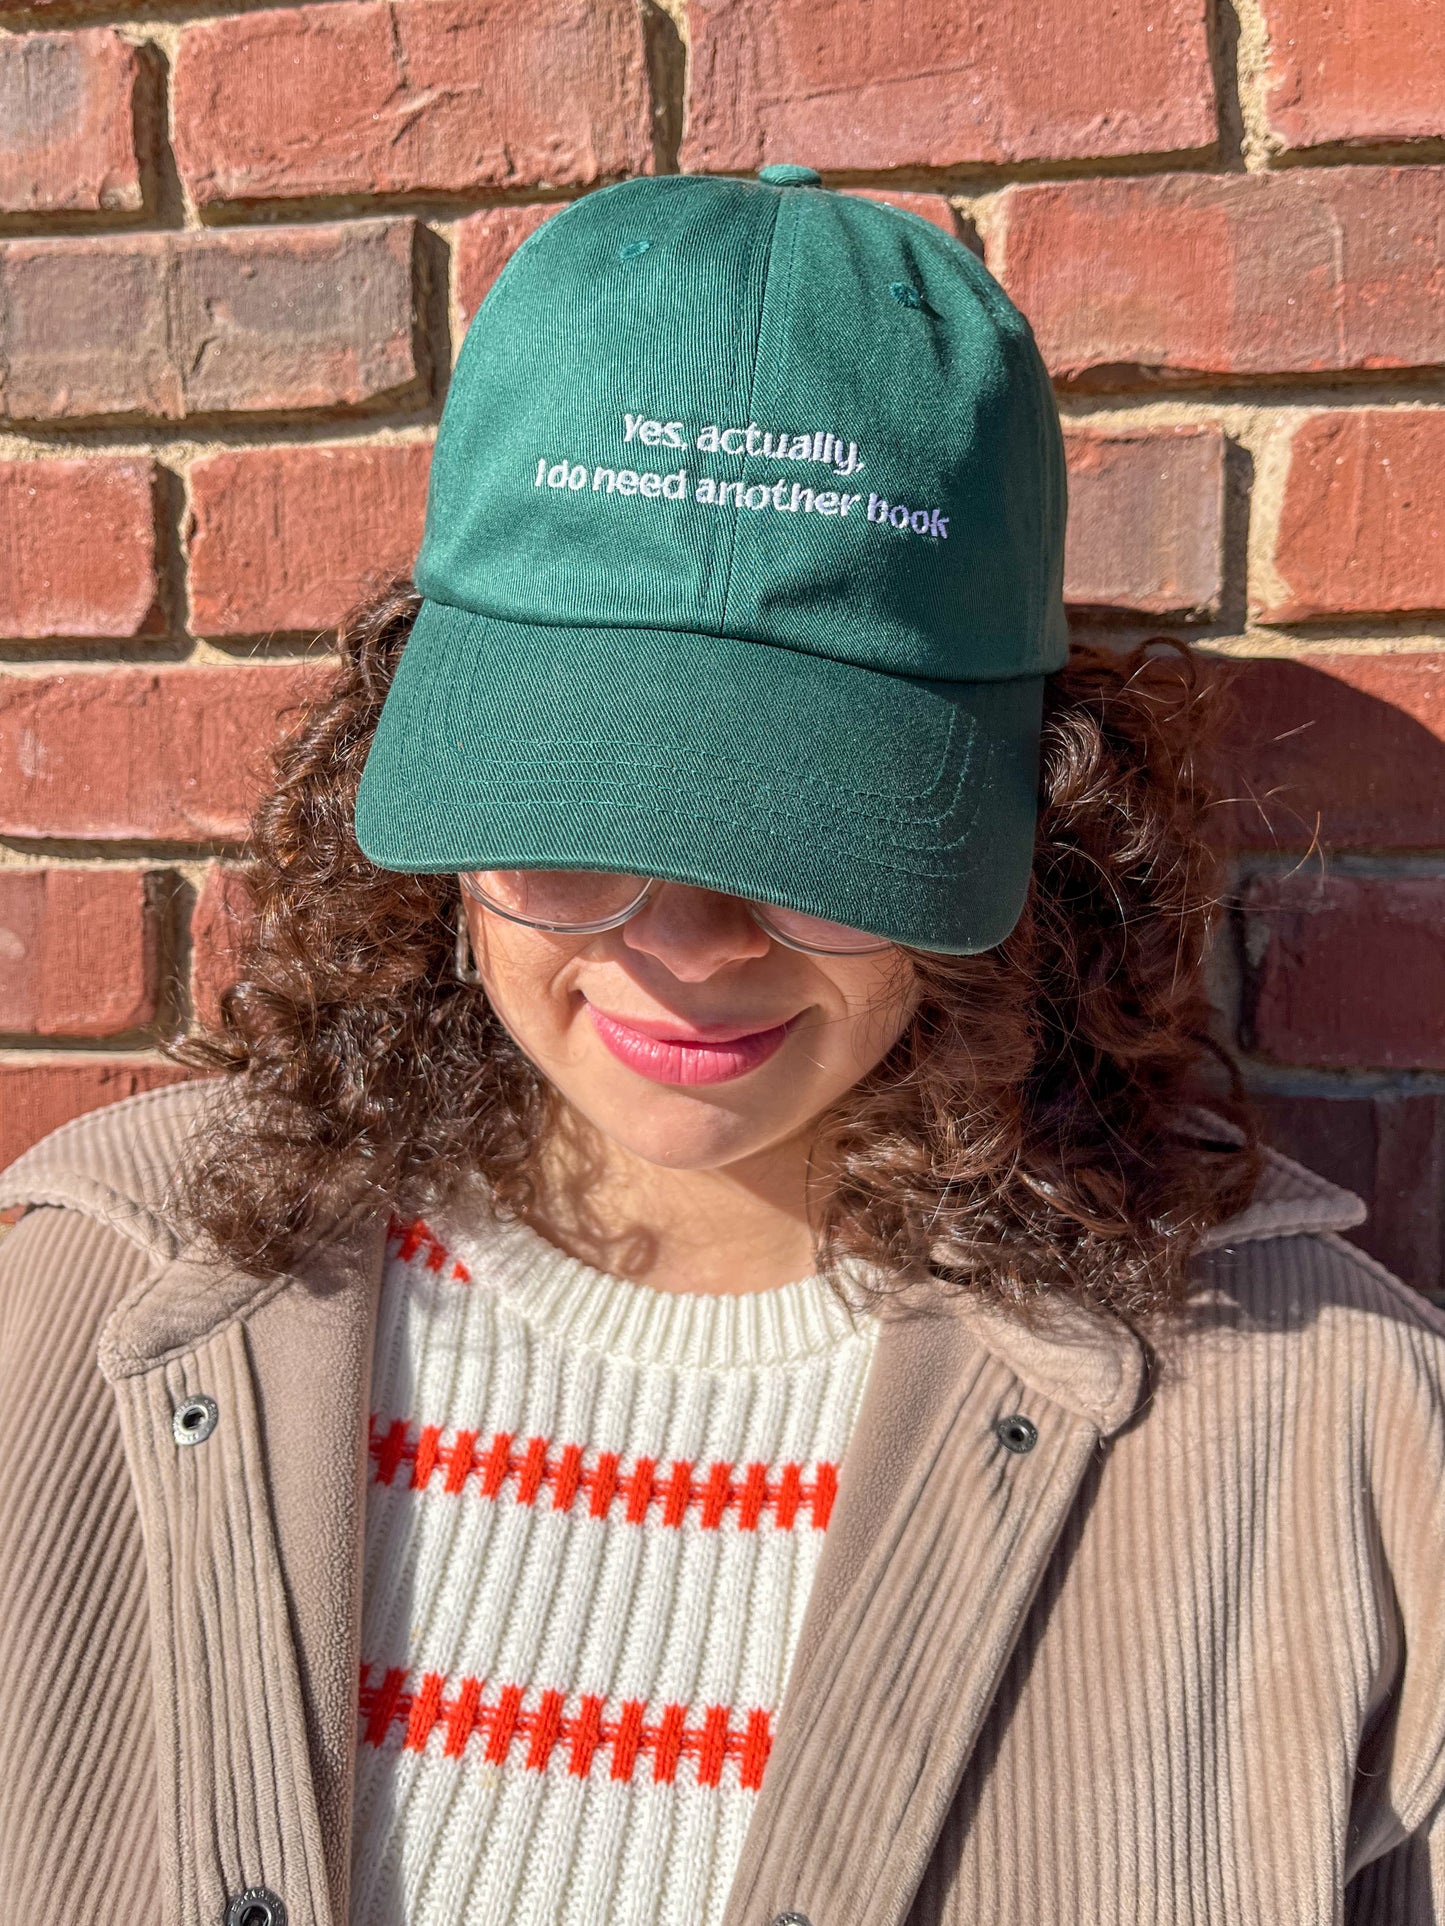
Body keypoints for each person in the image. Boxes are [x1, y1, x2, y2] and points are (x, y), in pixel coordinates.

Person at [1, 167, 1442, 1926]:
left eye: (810, 841)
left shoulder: (1336, 1444)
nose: (683, 947)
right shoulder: (77, 1314)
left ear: (1035, 813)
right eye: (570, 823)